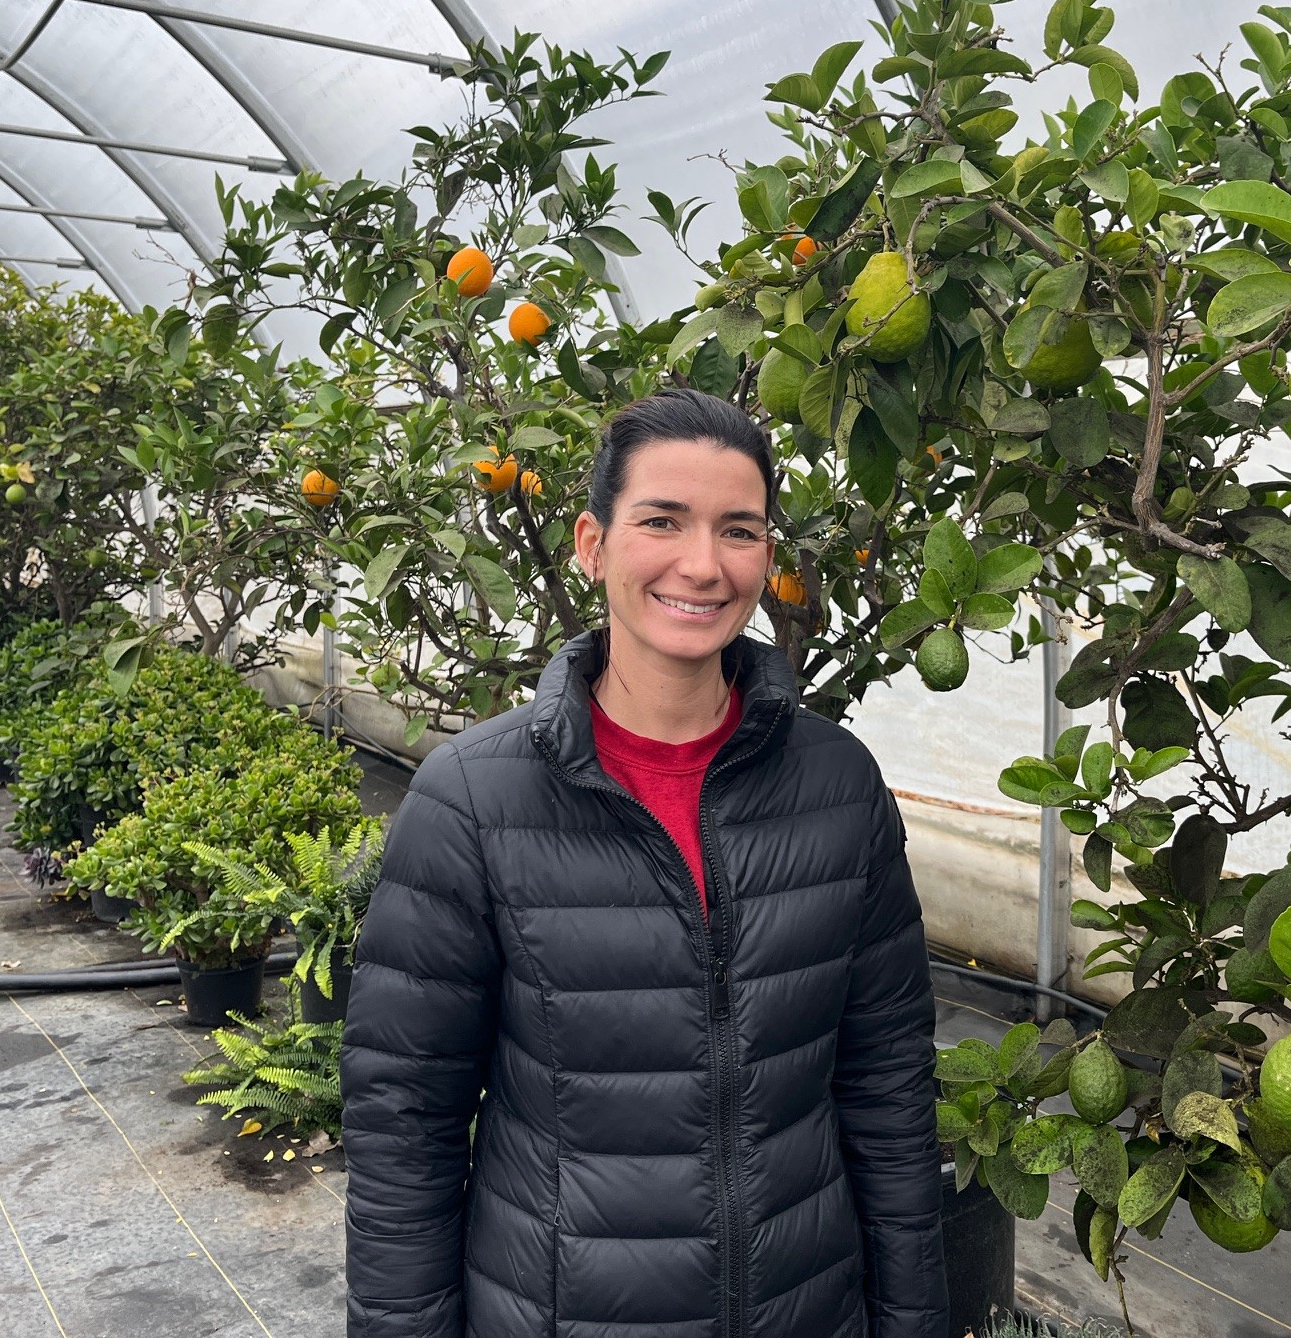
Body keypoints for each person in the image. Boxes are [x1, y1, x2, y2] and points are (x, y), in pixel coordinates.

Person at [341, 387, 948, 1338]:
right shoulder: (474, 798)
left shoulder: (839, 786)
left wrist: (914, 1319)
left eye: (738, 531)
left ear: (768, 560)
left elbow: (887, 1086)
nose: (702, 566)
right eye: (662, 521)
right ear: (593, 545)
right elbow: (403, 1124)